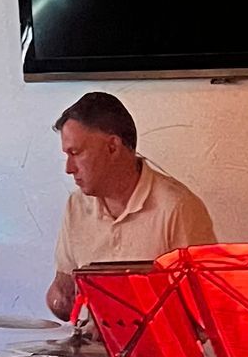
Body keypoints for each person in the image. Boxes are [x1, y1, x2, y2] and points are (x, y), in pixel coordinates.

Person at [46, 92, 216, 324]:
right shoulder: (76, 205)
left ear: (112, 147)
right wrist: (59, 298)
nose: (68, 168)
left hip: (158, 346)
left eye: (75, 153)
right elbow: (65, 293)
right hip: (91, 345)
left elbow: (203, 307)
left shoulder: (177, 207)